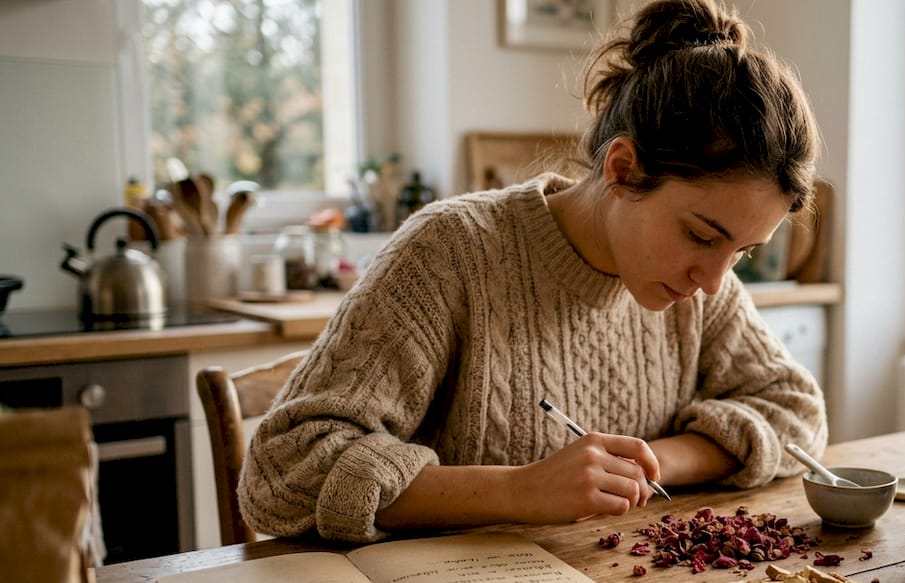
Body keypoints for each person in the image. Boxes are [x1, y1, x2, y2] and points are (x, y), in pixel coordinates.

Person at [239, 0, 827, 543]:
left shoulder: (697, 288)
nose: (714, 282)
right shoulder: (451, 253)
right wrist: (518, 490)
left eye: (742, 252)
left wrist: (648, 462)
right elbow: (280, 476)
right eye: (702, 235)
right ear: (622, 169)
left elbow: (798, 416)